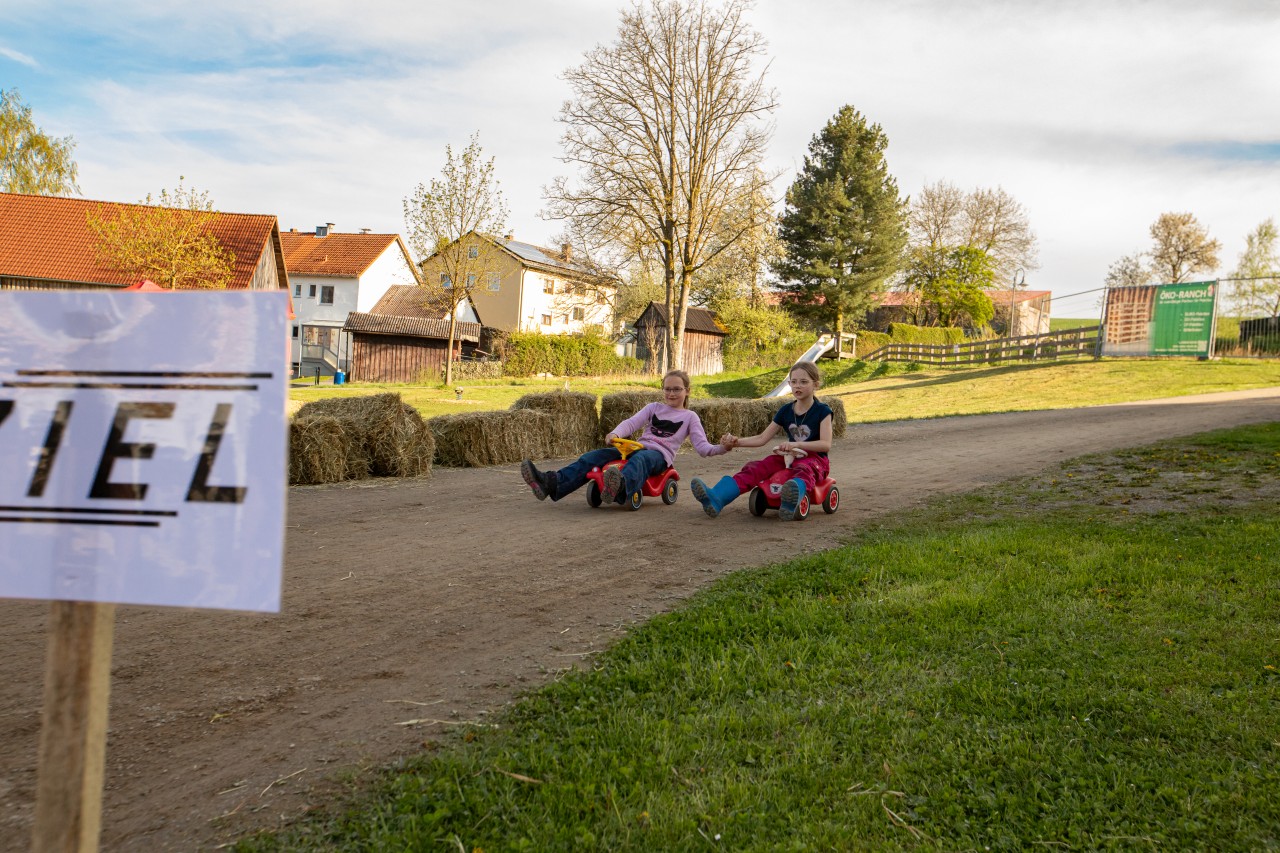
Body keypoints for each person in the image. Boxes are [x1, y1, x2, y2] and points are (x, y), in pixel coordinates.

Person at [520, 369, 731, 505]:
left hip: (658, 458)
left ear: (687, 391)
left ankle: (620, 487)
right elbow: (632, 423)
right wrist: (615, 433)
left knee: (641, 459)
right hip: (635, 448)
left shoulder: (689, 417)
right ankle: (551, 482)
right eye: (667, 389)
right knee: (595, 456)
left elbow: (703, 448)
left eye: (677, 389)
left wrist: (723, 447)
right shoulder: (654, 407)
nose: (671, 393)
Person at [690, 361, 833, 521]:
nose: (797, 386)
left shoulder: (823, 411)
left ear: (816, 384)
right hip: (789, 456)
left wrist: (796, 444)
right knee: (758, 467)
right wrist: (736, 442)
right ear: (789, 384)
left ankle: (791, 499)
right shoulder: (786, 410)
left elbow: (825, 444)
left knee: (804, 468)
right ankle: (717, 497)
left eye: (804, 382)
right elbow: (762, 438)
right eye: (794, 382)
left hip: (816, 460)